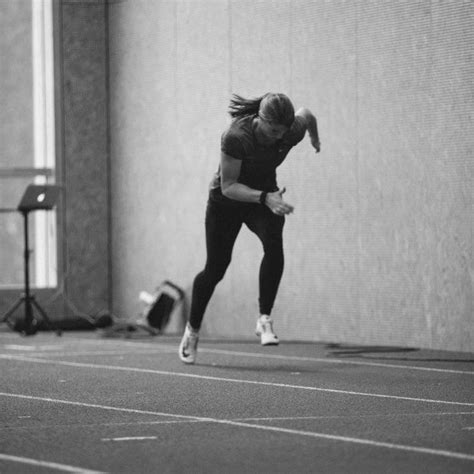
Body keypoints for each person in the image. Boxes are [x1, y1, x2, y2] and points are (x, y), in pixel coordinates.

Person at [179, 92, 320, 364]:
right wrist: (266, 197)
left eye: (283, 132)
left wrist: (314, 137)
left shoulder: (291, 131)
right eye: (272, 131)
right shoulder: (236, 136)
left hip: (263, 197)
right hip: (227, 202)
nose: (278, 138)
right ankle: (192, 330)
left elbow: (308, 114)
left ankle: (264, 318)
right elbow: (229, 186)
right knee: (216, 269)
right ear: (259, 120)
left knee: (273, 242)